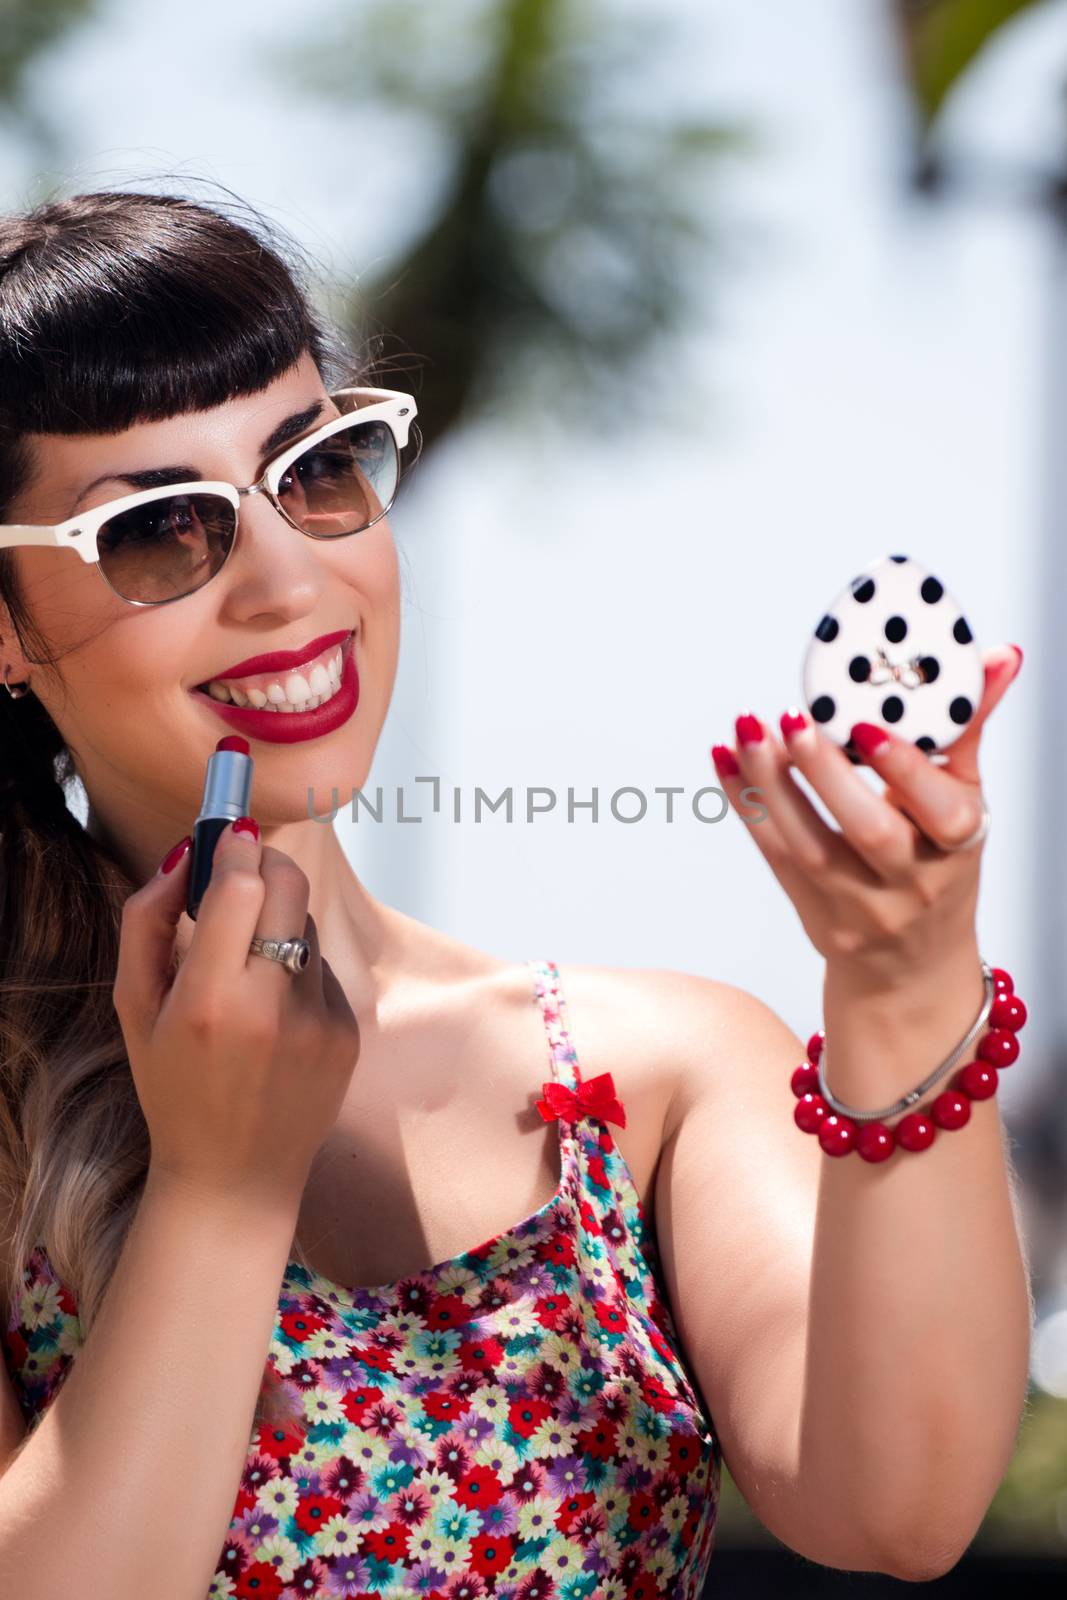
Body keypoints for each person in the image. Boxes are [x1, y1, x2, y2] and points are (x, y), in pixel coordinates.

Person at [0, 188, 1032, 1600]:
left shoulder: (655, 1075)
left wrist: (907, 986)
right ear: (9, 625)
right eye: (163, 533)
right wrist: (222, 1190)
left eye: (315, 469)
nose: (290, 579)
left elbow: (896, 1512)